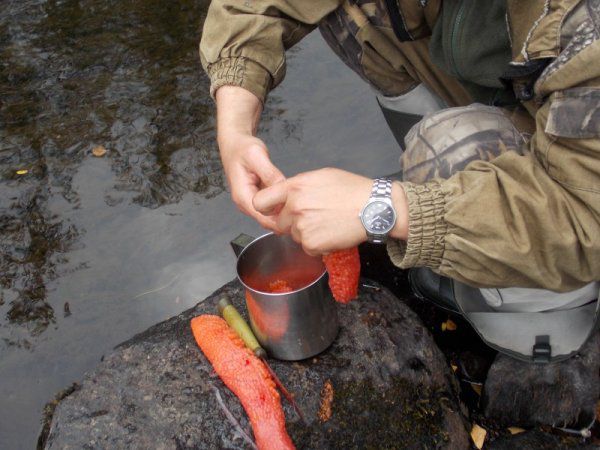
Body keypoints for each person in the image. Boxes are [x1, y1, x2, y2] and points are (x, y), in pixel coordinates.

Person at [200, 0, 600, 362]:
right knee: (356, 15)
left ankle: (544, 312)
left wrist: (383, 207)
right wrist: (235, 129)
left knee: (447, 149)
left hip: (579, 184)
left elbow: (587, 215)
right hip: (521, 84)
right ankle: (456, 225)